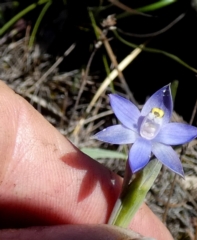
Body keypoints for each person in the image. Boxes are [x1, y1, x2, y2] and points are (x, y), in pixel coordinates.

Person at [0, 81, 173, 240]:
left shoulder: (161, 146)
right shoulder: (129, 130)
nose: (153, 118)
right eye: (151, 115)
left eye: (157, 118)